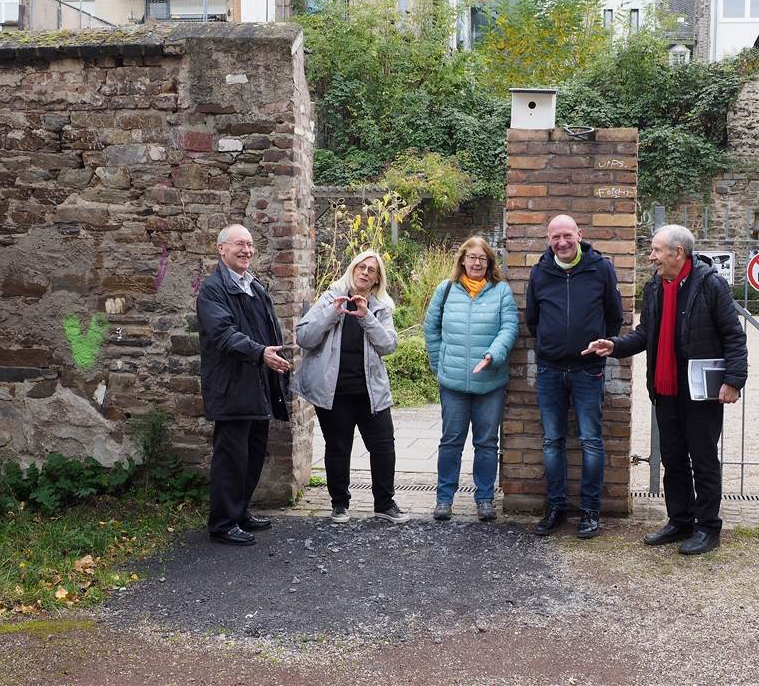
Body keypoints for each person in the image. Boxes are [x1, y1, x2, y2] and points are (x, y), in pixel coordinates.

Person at [583, 224, 747, 555]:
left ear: (678, 253)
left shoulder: (710, 285)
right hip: (666, 387)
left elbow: (733, 335)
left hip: (701, 391)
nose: (651, 256)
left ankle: (708, 527)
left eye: (657, 250)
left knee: (702, 459)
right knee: (672, 458)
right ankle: (680, 520)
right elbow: (646, 333)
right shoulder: (656, 285)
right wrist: (613, 345)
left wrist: (733, 381)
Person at [290, 250, 408, 524]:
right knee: (338, 447)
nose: (365, 272)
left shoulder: (380, 307)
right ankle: (340, 504)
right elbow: (305, 337)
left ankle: (384, 504)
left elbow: (388, 345)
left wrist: (366, 316)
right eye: (361, 267)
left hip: (370, 391)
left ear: (378, 279)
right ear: (352, 269)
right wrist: (332, 313)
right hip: (335, 391)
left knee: (383, 446)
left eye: (372, 270)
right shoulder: (331, 297)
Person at [525, 214, 623, 539]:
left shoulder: (600, 269)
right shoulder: (540, 273)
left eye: (567, 235)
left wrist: (597, 345)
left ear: (579, 235)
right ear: (548, 239)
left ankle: (590, 511)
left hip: (588, 370)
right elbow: (533, 320)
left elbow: (614, 315)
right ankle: (556, 507)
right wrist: (550, 345)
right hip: (550, 370)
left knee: (591, 440)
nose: (562, 242)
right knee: (553, 440)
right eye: (555, 237)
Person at [197, 224, 291, 546]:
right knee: (231, 457)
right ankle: (222, 524)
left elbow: (266, 329)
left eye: (250, 245)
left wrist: (271, 358)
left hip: (257, 383)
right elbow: (222, 334)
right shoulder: (213, 289)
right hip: (231, 386)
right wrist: (260, 352)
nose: (247, 250)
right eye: (240, 244)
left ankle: (239, 512)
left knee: (252, 453)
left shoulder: (254, 285)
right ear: (221, 249)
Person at [423, 237, 519, 522]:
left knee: (487, 443)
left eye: (483, 259)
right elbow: (432, 329)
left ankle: (485, 499)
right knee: (451, 441)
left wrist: (494, 354)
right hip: (452, 384)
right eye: (472, 257)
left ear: (490, 263)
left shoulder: (501, 291)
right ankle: (444, 499)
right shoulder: (447, 289)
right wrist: (440, 364)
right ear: (462, 260)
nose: (477, 263)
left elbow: (510, 327)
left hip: (491, 382)